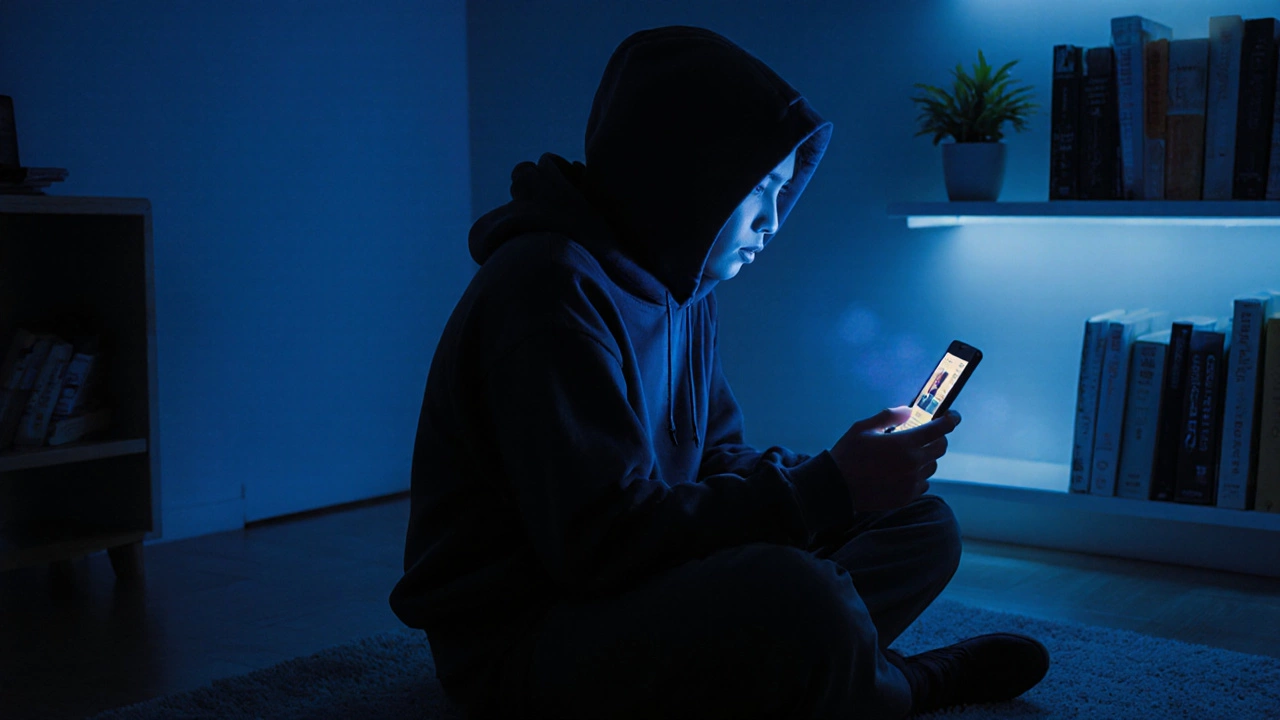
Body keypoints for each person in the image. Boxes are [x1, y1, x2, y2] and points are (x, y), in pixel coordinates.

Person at [390, 25, 1049, 719]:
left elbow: (713, 458)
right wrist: (825, 489)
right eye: (759, 188)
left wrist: (840, 479)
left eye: (782, 190)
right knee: (799, 593)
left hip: (633, 584)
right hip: (528, 641)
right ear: (685, 171)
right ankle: (908, 685)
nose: (772, 221)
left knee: (921, 525)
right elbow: (599, 546)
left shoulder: (684, 287)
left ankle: (824, 664)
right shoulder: (547, 291)